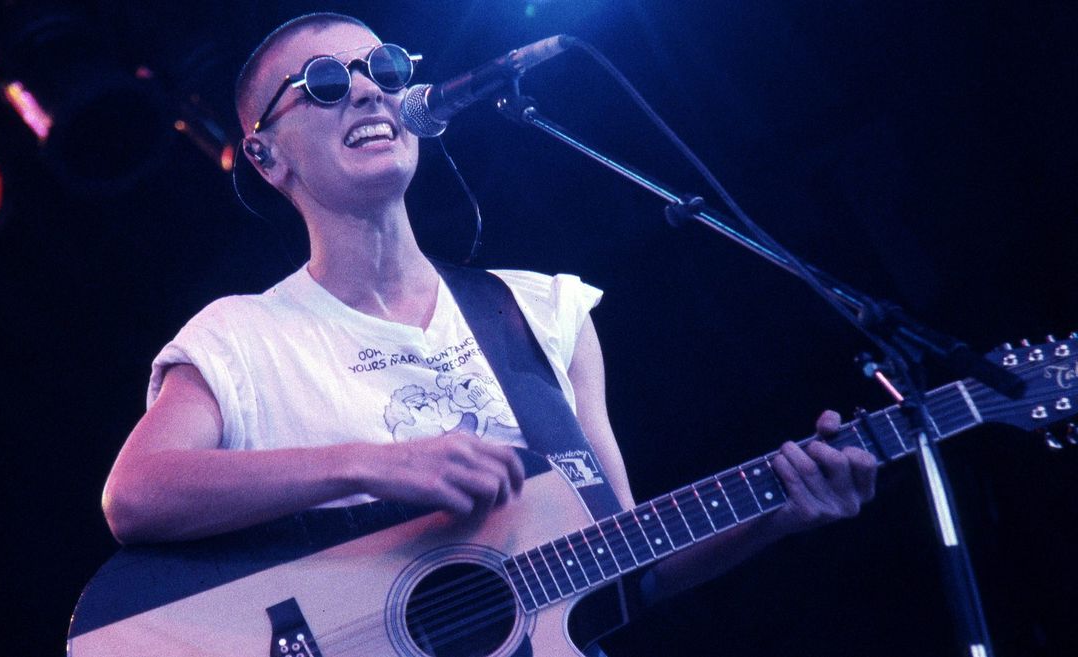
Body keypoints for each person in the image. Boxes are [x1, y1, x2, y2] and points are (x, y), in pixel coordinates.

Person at [100, 11, 878, 652]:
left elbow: (625, 559)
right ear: (267, 156)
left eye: (388, 69)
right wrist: (373, 465)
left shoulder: (542, 313)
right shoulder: (244, 335)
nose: (370, 92)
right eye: (327, 84)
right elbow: (134, 494)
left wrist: (779, 511)